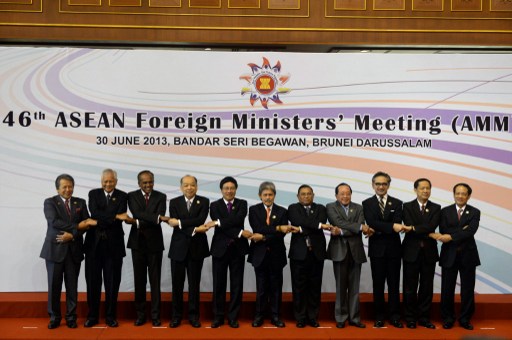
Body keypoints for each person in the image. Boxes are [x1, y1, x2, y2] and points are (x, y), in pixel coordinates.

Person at [40, 174, 97, 329]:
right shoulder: (50, 202)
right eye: (64, 186)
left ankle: (71, 317)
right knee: (54, 286)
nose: (68, 189)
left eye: (70, 186)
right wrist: (76, 227)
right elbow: (54, 222)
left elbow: (87, 224)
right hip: (54, 251)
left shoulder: (81, 202)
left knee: (72, 287)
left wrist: (72, 235)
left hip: (74, 250)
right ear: (57, 188)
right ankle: (54, 317)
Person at [84, 169, 135, 328]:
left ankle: (110, 316)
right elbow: (95, 212)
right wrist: (114, 217)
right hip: (94, 246)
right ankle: (92, 316)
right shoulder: (93, 194)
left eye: (111, 181)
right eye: (105, 181)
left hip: (114, 246)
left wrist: (100, 219)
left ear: (116, 181)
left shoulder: (122, 196)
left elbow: (108, 216)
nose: (108, 184)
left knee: (112, 283)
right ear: (101, 181)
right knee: (93, 283)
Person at [431, 183, 480, 331]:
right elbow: (443, 229)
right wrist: (461, 230)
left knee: (467, 290)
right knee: (447, 289)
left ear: (468, 196)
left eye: (463, 193)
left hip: (468, 255)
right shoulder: (445, 211)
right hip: (449, 255)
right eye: (457, 193)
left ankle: (465, 318)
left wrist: (451, 236)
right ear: (453, 194)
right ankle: (448, 318)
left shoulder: (475, 212)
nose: (460, 196)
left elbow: (471, 231)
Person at [206, 176, 252, 328]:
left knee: (236, 285)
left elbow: (237, 219)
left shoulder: (242, 204)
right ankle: (218, 317)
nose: (229, 191)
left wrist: (218, 222)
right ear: (221, 190)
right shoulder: (214, 205)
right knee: (218, 284)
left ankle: (233, 317)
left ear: (236, 189)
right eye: (226, 188)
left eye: (232, 188)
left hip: (237, 250)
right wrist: (239, 232)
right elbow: (231, 225)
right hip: (220, 250)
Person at [326, 182, 372, 329]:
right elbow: (337, 222)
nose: (345, 196)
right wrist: (358, 227)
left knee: (354, 287)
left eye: (348, 193)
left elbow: (358, 225)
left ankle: (355, 318)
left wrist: (342, 231)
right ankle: (341, 317)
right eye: (342, 193)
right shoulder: (331, 207)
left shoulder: (358, 207)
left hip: (355, 251)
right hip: (339, 251)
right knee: (340, 287)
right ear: (336, 195)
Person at [362, 171, 404, 328]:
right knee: (378, 285)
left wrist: (380, 228)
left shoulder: (398, 203)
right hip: (377, 251)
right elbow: (371, 222)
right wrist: (391, 226)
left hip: (394, 250)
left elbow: (397, 223)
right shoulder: (366, 203)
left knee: (394, 285)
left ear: (388, 185)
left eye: (384, 184)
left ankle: (394, 316)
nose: (381, 186)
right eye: (378, 184)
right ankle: (379, 316)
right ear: (373, 185)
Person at [167, 175, 210, 328]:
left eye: (192, 185)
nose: (189, 188)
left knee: (194, 285)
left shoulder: (204, 201)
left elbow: (200, 219)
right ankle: (176, 316)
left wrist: (179, 222)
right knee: (177, 285)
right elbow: (174, 224)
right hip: (178, 249)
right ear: (181, 187)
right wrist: (193, 229)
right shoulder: (174, 202)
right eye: (186, 185)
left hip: (196, 249)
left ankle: (193, 316)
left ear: (196, 187)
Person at [127, 170, 169, 327]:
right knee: (139, 281)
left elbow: (156, 217)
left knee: (155, 281)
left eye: (150, 182)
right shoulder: (131, 196)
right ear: (139, 183)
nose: (148, 185)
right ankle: (140, 315)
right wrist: (156, 218)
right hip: (137, 243)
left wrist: (136, 221)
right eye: (144, 182)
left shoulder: (161, 196)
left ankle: (156, 316)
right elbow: (137, 212)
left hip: (155, 244)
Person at [248, 181, 290, 328]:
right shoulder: (253, 210)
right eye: (265, 195)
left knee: (276, 288)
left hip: (277, 255)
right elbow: (257, 227)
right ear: (260, 196)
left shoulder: (283, 211)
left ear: (274, 195)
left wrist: (264, 237)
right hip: (259, 255)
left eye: (270, 194)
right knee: (261, 288)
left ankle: (275, 316)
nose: (268, 197)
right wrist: (277, 227)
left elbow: (281, 235)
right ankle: (259, 316)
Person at [401, 178, 440, 329]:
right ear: (415, 190)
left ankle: (424, 317)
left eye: (428, 188)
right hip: (411, 251)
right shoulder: (407, 206)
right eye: (422, 188)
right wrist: (425, 230)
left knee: (426, 286)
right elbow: (427, 228)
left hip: (429, 253)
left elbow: (432, 225)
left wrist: (413, 228)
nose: (425, 191)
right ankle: (410, 317)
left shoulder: (436, 208)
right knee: (409, 286)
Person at [287, 184, 328, 328]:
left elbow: (317, 222)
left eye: (309, 194)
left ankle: (312, 316)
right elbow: (298, 220)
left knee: (315, 287)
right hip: (299, 254)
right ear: (298, 196)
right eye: (303, 194)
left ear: (313, 195)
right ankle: (300, 317)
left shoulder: (321, 208)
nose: (306, 196)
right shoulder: (293, 208)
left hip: (317, 253)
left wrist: (301, 229)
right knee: (298, 287)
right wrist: (317, 226)